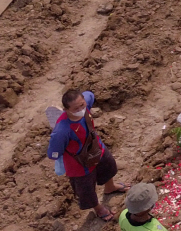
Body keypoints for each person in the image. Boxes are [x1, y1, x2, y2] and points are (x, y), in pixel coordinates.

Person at [48, 89, 126, 222]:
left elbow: (90, 94)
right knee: (86, 189)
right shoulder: (62, 131)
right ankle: (98, 208)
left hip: (96, 148)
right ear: (66, 110)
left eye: (82, 105)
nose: (80, 109)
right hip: (79, 164)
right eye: (75, 108)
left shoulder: (87, 101)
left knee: (108, 165)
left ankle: (110, 187)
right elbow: (53, 153)